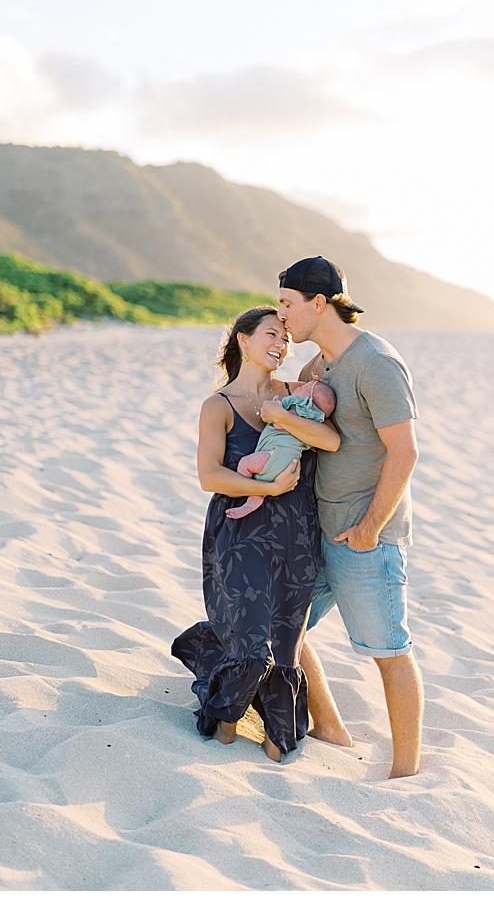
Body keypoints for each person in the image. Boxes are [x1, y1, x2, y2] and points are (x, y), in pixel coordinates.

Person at [170, 306, 341, 762]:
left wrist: (279, 416)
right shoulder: (218, 405)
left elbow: (331, 441)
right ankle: (223, 722)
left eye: (285, 338)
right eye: (271, 333)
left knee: (286, 646)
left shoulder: (298, 394)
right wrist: (265, 486)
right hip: (239, 533)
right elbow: (209, 477)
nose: (281, 344)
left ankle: (278, 742)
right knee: (251, 646)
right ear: (243, 340)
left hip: (298, 533)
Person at [276, 255, 423, 779]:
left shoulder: (375, 362)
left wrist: (369, 530)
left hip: (365, 537)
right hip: (319, 530)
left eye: (288, 304)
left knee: (389, 652)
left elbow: (404, 452)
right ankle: (330, 726)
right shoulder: (324, 365)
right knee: (284, 626)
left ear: (320, 304)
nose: (283, 314)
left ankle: (405, 772)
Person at [225, 379, 336, 520]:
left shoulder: (299, 411)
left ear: (307, 400)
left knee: (245, 464)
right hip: (287, 463)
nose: (298, 389)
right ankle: (252, 502)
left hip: (276, 455)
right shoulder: (312, 421)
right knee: (261, 483)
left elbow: (279, 424)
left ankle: (241, 488)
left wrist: (276, 412)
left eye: (303, 389)